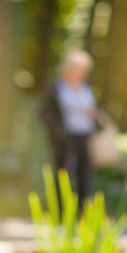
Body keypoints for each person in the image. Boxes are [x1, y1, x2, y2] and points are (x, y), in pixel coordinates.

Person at [39, 49, 98, 205]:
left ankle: (83, 208)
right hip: (64, 137)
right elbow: (44, 112)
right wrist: (58, 129)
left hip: (84, 134)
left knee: (84, 173)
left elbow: (94, 110)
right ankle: (60, 208)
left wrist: (93, 115)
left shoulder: (85, 88)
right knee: (64, 173)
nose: (84, 73)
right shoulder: (56, 87)